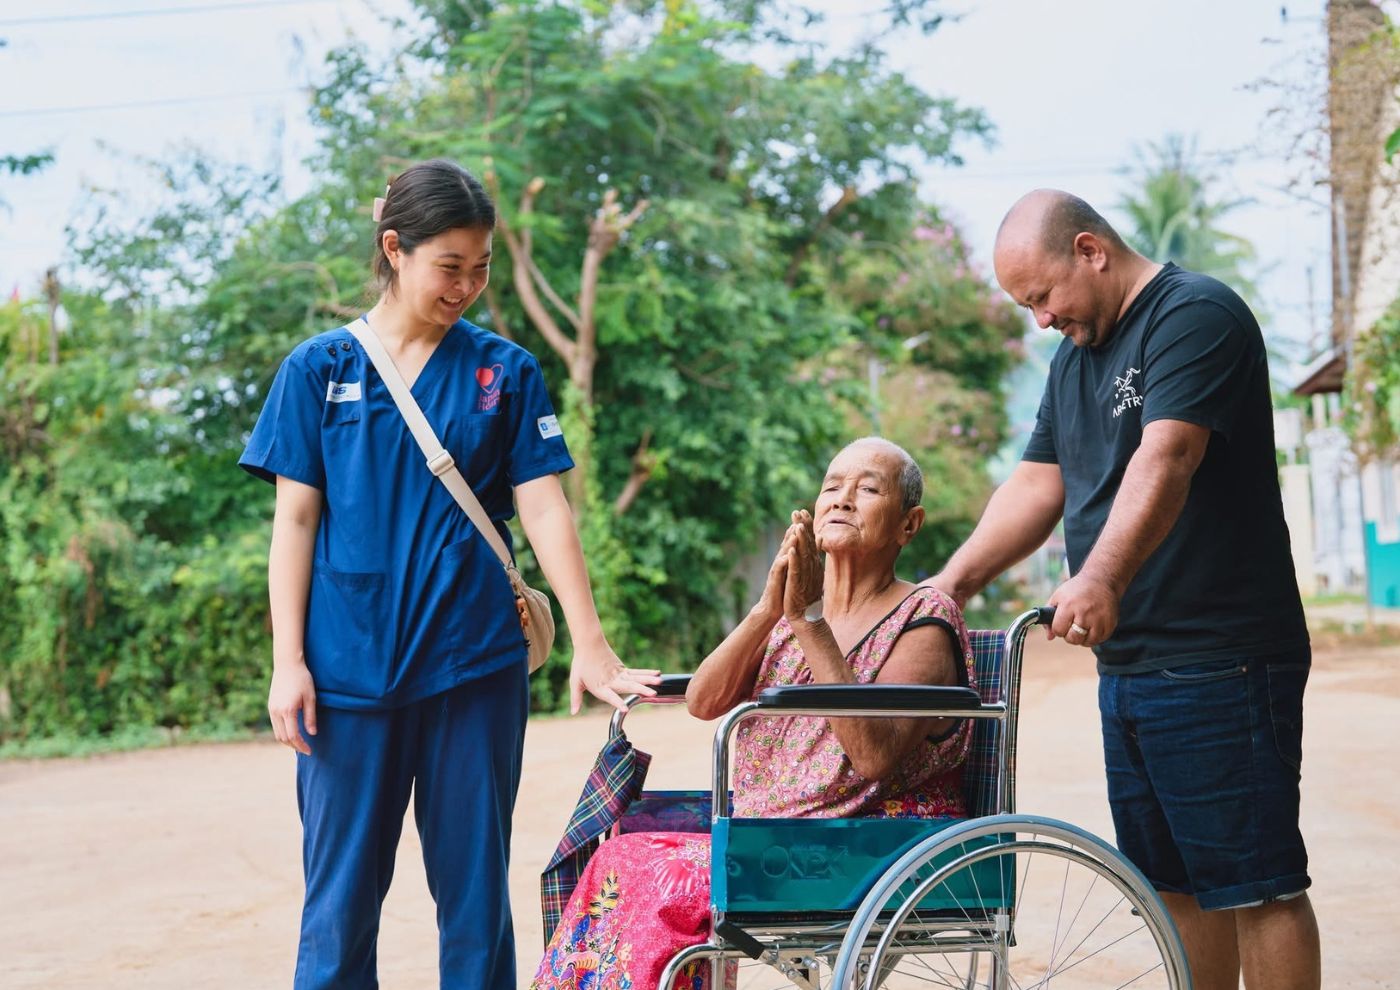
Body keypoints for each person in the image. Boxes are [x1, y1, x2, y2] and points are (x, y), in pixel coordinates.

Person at [238, 158, 660, 990]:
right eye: (450, 266)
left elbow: (544, 510)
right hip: (347, 674)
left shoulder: (505, 372)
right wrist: (288, 662)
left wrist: (592, 643)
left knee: (472, 899)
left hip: (474, 669)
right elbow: (294, 520)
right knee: (340, 903)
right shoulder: (320, 371)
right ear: (395, 249)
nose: (467, 285)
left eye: (482, 267)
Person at [924, 189, 1320, 990]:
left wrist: (1099, 575)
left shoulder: (1195, 314)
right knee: (1173, 886)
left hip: (1223, 658)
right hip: (1131, 668)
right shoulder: (1073, 359)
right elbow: (1039, 483)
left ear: (1090, 251)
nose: (1040, 319)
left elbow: (1166, 456)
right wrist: (949, 584)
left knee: (1258, 884)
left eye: (1042, 295)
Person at [530, 438, 977, 990]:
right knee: (617, 850)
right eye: (832, 487)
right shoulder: (790, 618)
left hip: (865, 842)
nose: (842, 500)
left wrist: (809, 622)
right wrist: (770, 610)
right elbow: (704, 702)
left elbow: (873, 755)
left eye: (867, 489)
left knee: (649, 867)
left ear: (909, 525)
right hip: (774, 835)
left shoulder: (925, 618)